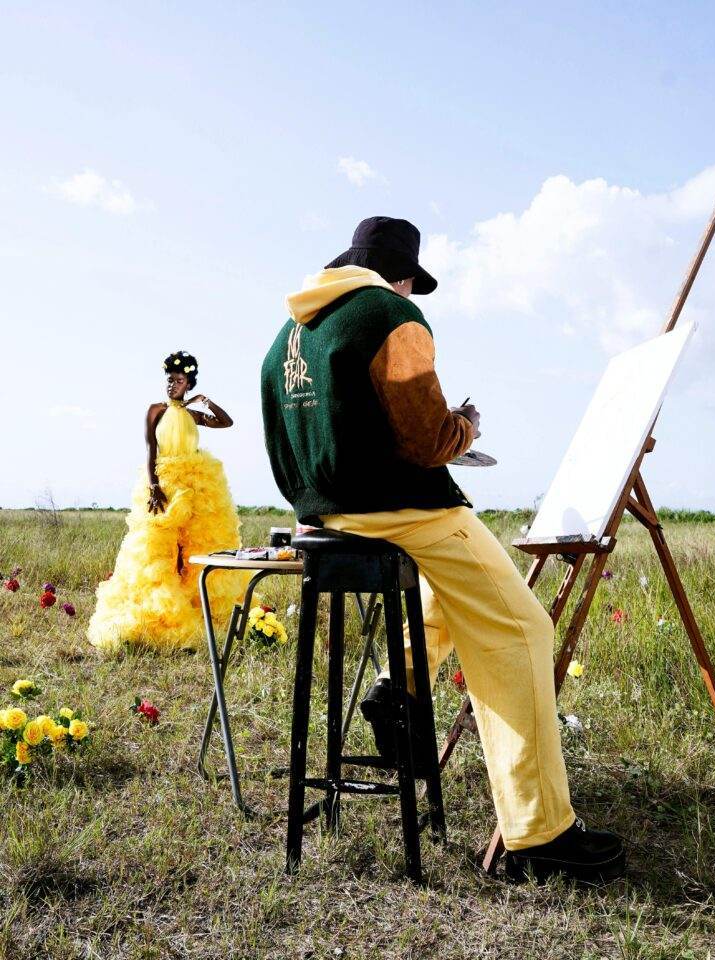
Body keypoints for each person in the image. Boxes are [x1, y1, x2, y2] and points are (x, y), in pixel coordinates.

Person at [260, 217, 625, 884]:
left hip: (326, 517)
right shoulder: (391, 313)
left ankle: (395, 685)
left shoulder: (289, 332)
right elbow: (427, 442)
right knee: (520, 629)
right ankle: (540, 833)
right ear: (401, 275)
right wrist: (466, 428)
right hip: (401, 511)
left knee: (455, 598)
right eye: (411, 282)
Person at [88, 351, 246, 652]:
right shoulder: (156, 410)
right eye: (169, 380)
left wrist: (205, 402)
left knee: (196, 544)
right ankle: (160, 610)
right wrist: (154, 486)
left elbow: (226, 423)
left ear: (188, 383)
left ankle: (194, 604)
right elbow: (150, 451)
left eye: (178, 380)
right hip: (165, 482)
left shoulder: (192, 415)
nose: (171, 385)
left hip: (197, 484)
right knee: (159, 546)